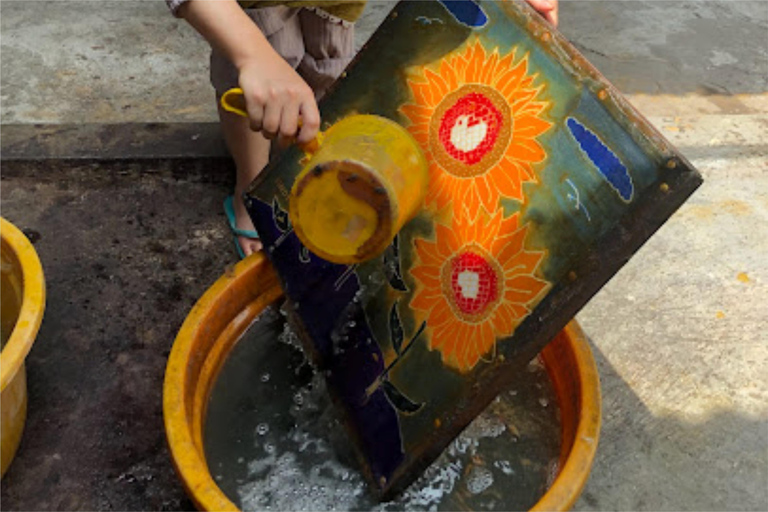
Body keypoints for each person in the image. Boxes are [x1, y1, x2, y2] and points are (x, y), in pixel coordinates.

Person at [168, 0, 559, 258]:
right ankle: (249, 190)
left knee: (326, 70)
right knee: (261, 86)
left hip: (336, 5)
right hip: (251, 7)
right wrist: (251, 54)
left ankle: (295, 163)